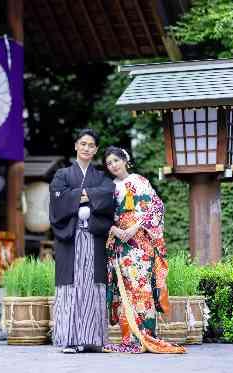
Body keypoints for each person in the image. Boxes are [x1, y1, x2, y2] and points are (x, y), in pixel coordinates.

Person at [103, 146, 185, 354]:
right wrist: (115, 229)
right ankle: (128, 338)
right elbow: (102, 216)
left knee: (142, 288)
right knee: (124, 291)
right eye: (109, 163)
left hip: (141, 242)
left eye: (115, 161)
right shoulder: (108, 187)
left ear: (125, 160)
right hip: (121, 243)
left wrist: (135, 227)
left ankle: (146, 335)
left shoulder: (140, 182)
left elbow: (157, 207)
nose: (113, 165)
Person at [49, 129, 115, 353]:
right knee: (71, 286)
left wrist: (78, 194)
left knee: (91, 286)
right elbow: (58, 200)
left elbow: (108, 195)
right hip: (71, 237)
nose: (87, 148)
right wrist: (87, 195)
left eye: (91, 145)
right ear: (76, 146)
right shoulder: (62, 175)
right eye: (83, 144)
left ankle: (91, 338)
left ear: (96, 150)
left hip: (93, 237)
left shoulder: (101, 177)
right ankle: (69, 339)